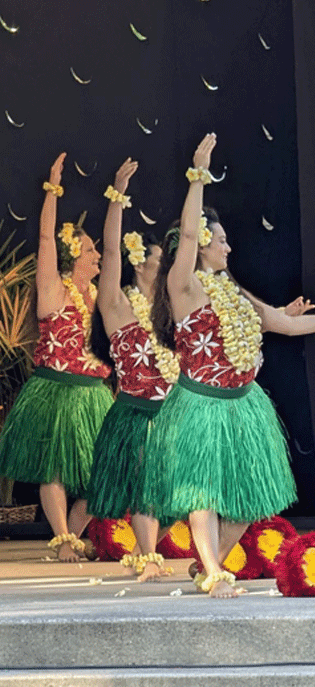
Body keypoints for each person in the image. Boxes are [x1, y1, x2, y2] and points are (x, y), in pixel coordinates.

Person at [145, 133, 315, 597]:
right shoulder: (184, 286)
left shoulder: (235, 294)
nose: (229, 249)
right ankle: (213, 570)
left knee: (249, 502)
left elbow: (285, 326)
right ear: (204, 245)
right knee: (201, 490)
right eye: (223, 242)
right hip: (202, 406)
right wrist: (199, 175)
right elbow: (188, 232)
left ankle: (206, 560)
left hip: (243, 404)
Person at [0, 153, 113, 562]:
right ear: (71, 258)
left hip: (94, 394)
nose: (97, 255)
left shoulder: (101, 299)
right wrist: (52, 188)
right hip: (55, 391)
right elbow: (46, 240)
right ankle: (63, 538)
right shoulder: (55, 291)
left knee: (105, 476)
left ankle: (74, 534)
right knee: (55, 467)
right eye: (89, 249)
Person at [86, 158, 181, 581]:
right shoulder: (116, 304)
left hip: (175, 410)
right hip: (137, 410)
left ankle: (157, 546)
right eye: (159, 258)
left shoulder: (172, 309)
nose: (164, 264)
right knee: (144, 482)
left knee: (178, 492)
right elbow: (110, 251)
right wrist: (118, 196)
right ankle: (148, 554)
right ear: (140, 262)